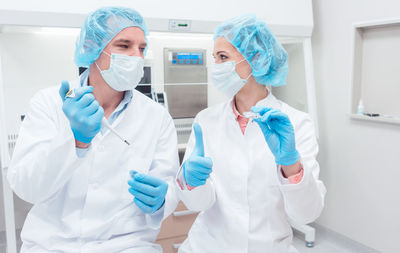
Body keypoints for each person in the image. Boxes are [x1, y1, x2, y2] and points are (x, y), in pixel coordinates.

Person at [8, 7, 179, 253]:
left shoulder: (156, 116)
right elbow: (27, 188)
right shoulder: (50, 103)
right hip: (51, 246)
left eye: (142, 48)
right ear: (92, 47)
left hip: (127, 246)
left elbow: (167, 186)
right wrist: (75, 141)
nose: (136, 56)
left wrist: (163, 199)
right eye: (124, 45)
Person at [176, 14, 326, 253]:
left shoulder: (297, 123)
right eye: (215, 57)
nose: (216, 66)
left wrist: (291, 165)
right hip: (208, 246)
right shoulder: (206, 121)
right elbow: (198, 204)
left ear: (256, 59)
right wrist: (192, 182)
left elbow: (306, 213)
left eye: (223, 57)